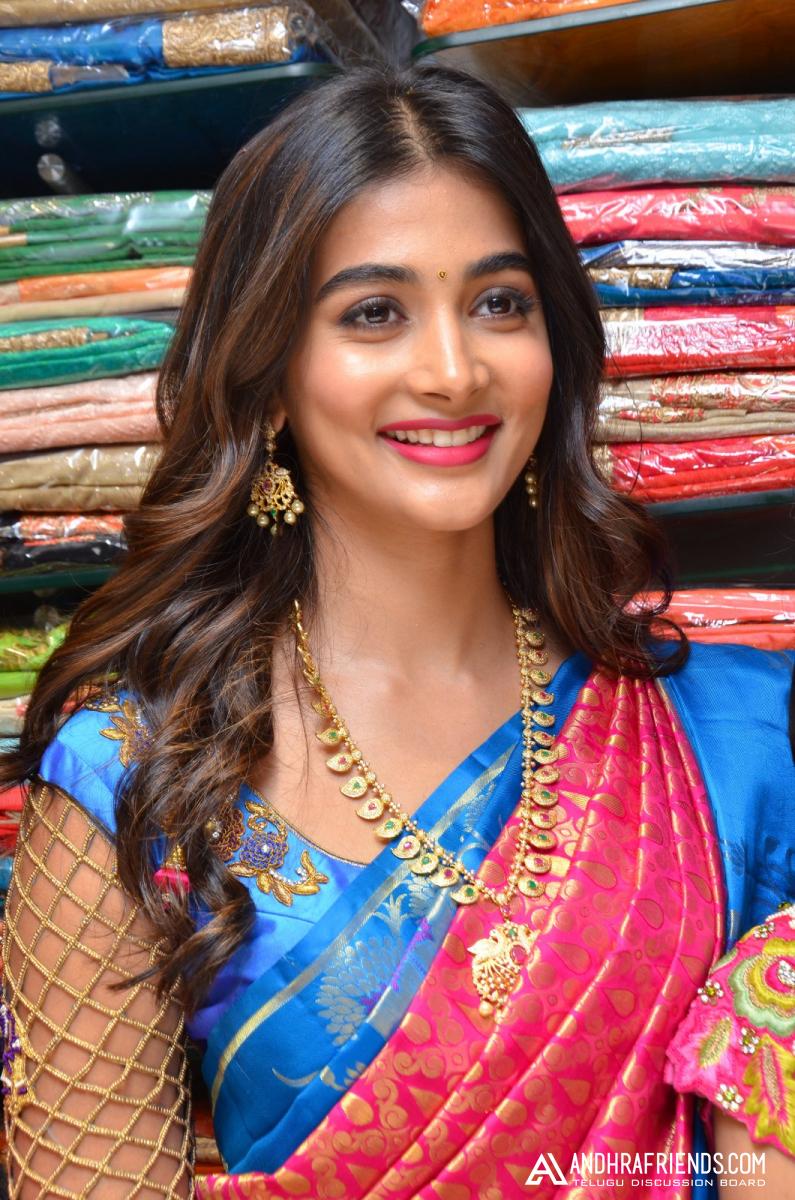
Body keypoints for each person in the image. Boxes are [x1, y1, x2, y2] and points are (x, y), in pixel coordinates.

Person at [0, 62, 793, 1199]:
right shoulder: (134, 783)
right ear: (269, 374)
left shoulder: (739, 742)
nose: (453, 371)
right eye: (374, 312)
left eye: (499, 303)